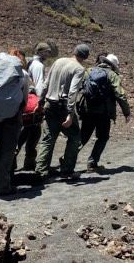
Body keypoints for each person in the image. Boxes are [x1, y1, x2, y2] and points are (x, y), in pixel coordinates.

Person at [35, 44, 90, 181]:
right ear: (85, 57)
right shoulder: (79, 69)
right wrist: (70, 114)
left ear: (74, 51)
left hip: (50, 104)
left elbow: (46, 83)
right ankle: (67, 170)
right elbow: (72, 92)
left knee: (48, 139)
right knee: (75, 137)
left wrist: (40, 102)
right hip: (63, 106)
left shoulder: (58, 61)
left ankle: (40, 173)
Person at [0, 48, 30, 195]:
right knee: (8, 150)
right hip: (13, 116)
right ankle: (3, 186)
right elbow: (25, 100)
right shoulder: (22, 74)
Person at [79, 53, 131, 172]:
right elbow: (120, 94)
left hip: (87, 110)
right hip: (104, 112)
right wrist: (126, 112)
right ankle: (92, 163)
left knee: (83, 136)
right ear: (112, 65)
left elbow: (80, 87)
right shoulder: (112, 75)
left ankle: (67, 159)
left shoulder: (89, 71)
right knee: (102, 137)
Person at [16, 42, 51, 170]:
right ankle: (29, 162)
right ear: (41, 52)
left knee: (26, 132)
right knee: (33, 132)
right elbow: (39, 85)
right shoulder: (38, 65)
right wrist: (40, 103)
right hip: (33, 103)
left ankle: (23, 161)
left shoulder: (31, 63)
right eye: (47, 51)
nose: (49, 54)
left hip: (27, 101)